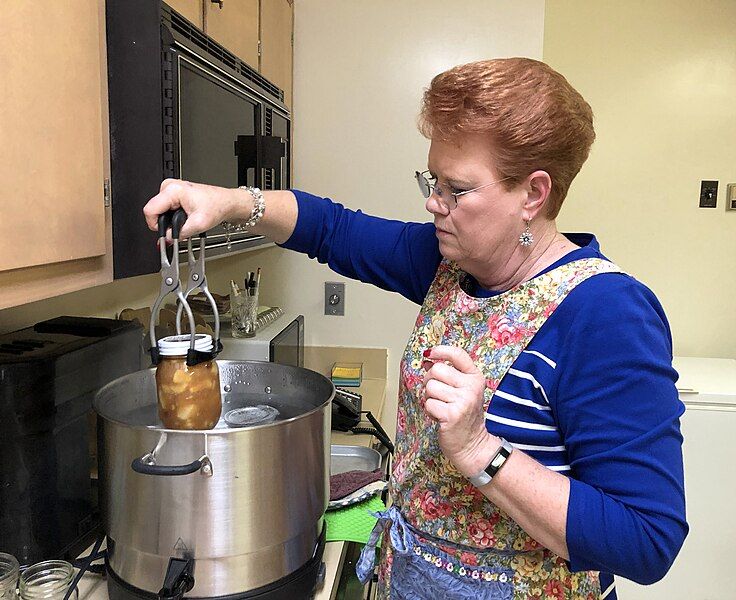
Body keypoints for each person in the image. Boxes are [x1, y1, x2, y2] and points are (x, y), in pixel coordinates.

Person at [143, 58, 687, 600]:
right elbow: (331, 228)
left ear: (533, 194)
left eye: (457, 188)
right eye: (432, 180)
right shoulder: (449, 263)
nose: (434, 203)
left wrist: (481, 451)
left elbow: (646, 539)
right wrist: (229, 202)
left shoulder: (608, 313)